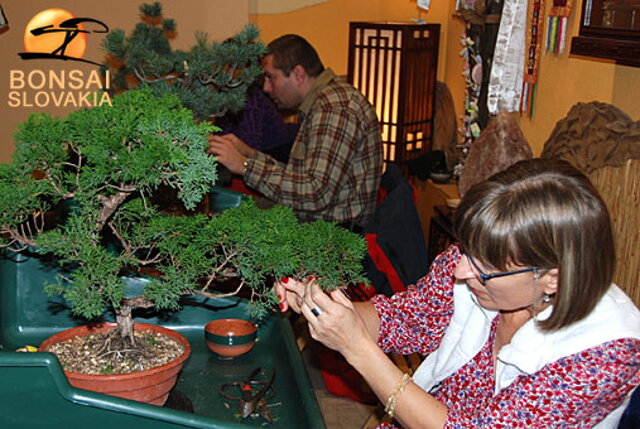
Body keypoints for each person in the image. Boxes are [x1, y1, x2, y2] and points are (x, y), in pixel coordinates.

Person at [276, 158, 640, 428]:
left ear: (553, 279)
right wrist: (320, 305)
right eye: (464, 251)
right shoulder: (479, 260)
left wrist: (358, 349)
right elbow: (405, 319)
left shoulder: (604, 353)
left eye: (483, 268)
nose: (462, 271)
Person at [208, 34, 383, 226]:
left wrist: (245, 166)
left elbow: (315, 194)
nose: (266, 88)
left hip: (330, 239)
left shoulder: (335, 110)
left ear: (298, 75)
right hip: (317, 226)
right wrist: (249, 154)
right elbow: (302, 178)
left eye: (271, 78)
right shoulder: (325, 102)